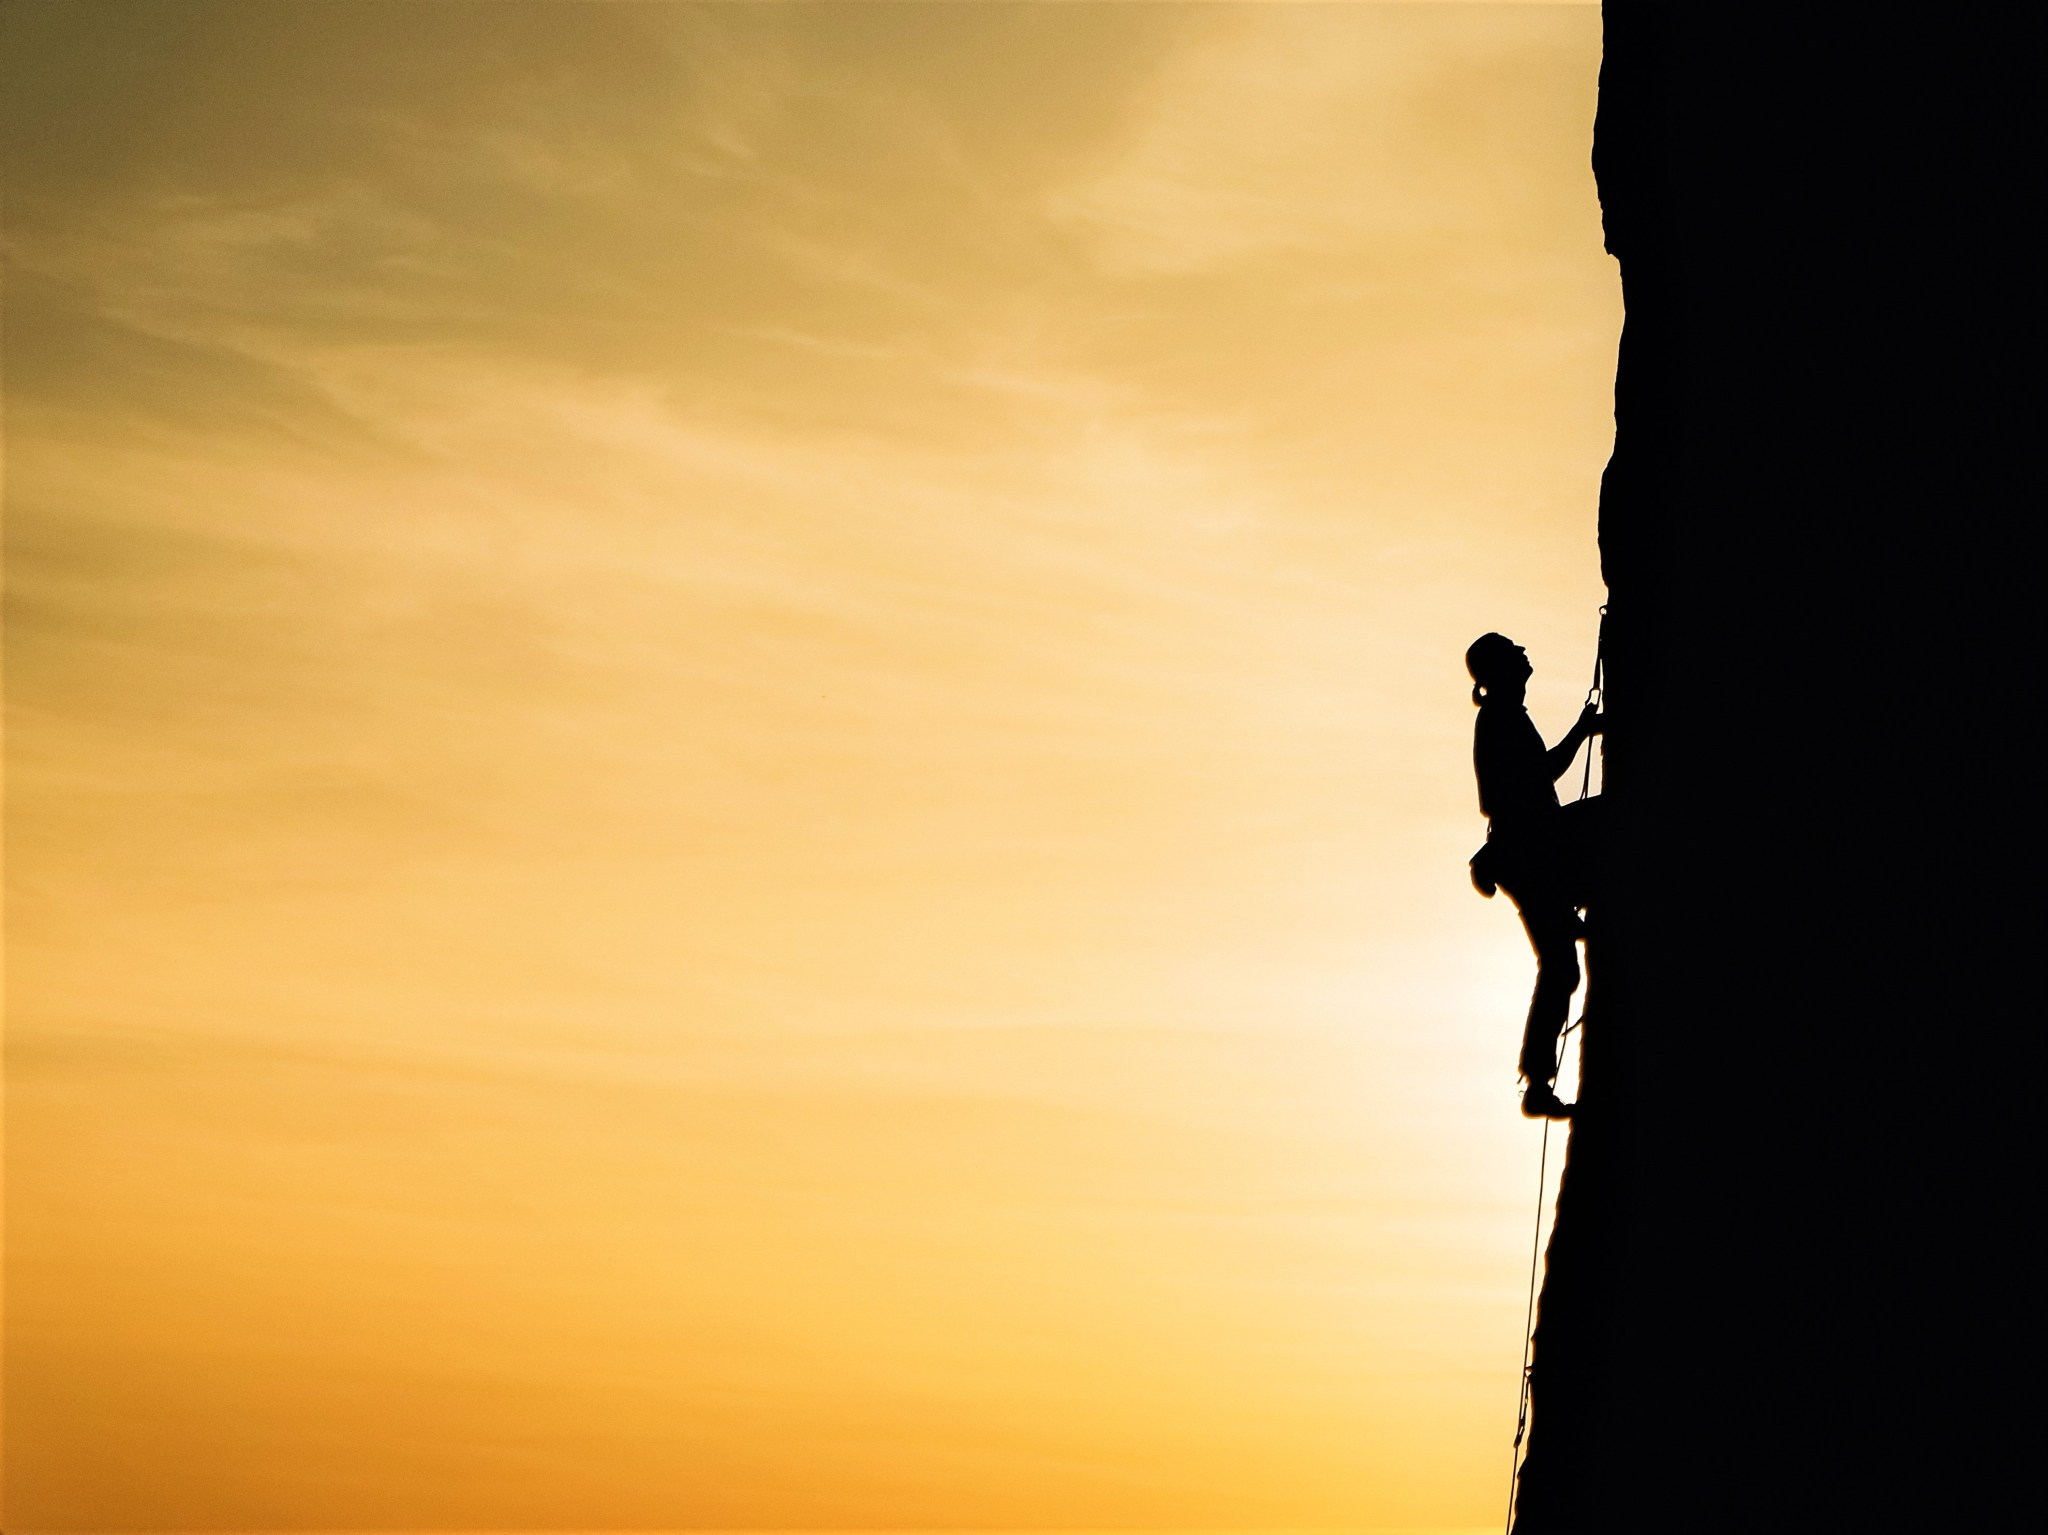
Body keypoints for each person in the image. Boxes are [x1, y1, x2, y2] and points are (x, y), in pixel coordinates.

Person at [1466, 632, 1602, 1119]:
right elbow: (1539, 775)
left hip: (1528, 851)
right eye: (1515, 653)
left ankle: (1537, 1082)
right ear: (1502, 669)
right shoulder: (1500, 719)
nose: (1526, 655)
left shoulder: (1505, 716)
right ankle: (1537, 1082)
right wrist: (1583, 731)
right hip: (1529, 852)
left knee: (1561, 964)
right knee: (1561, 966)